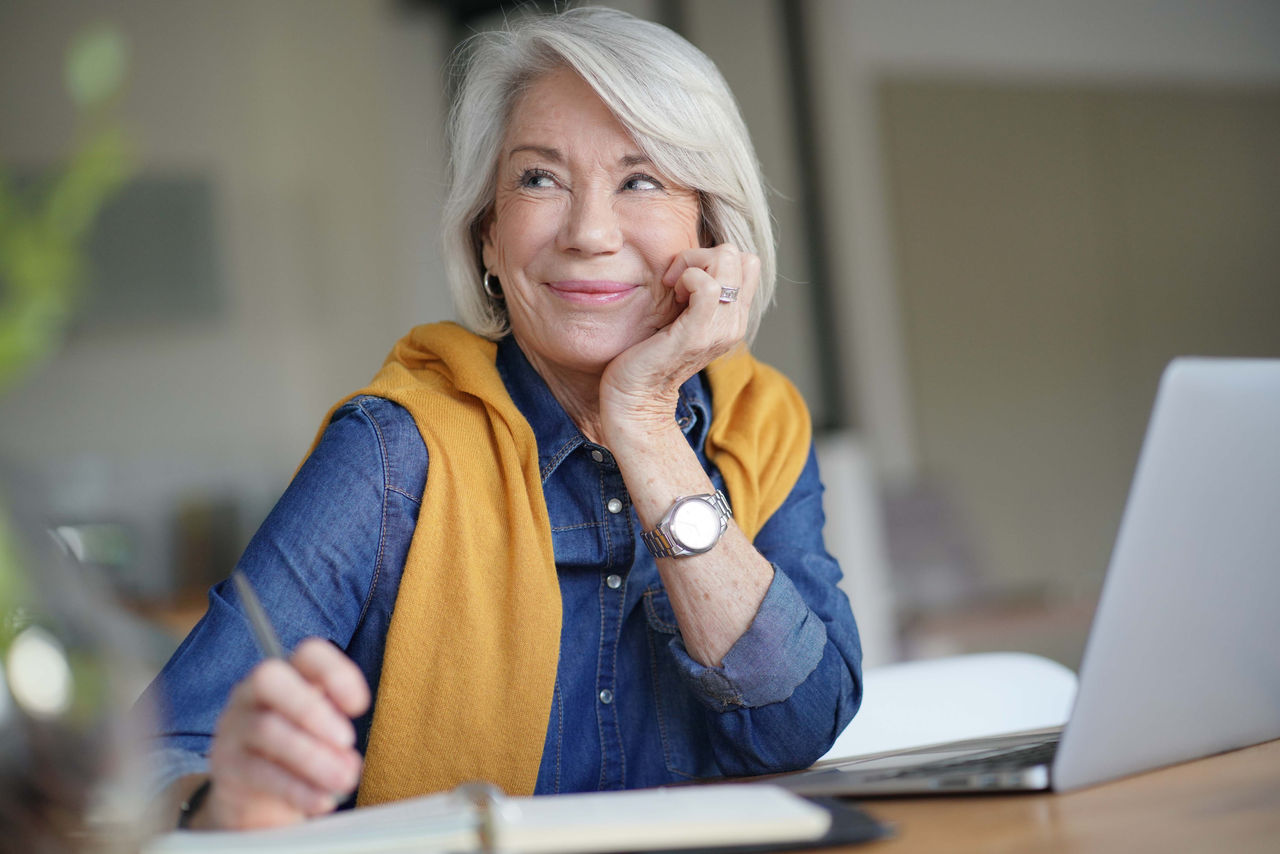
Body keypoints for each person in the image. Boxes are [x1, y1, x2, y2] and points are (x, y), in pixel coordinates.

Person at [140, 6, 862, 831]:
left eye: (641, 179)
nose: (589, 233)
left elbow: (801, 727)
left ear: (710, 232)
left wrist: (648, 426)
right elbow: (157, 755)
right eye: (539, 178)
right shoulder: (392, 456)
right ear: (488, 235)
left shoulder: (759, 425)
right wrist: (220, 799)